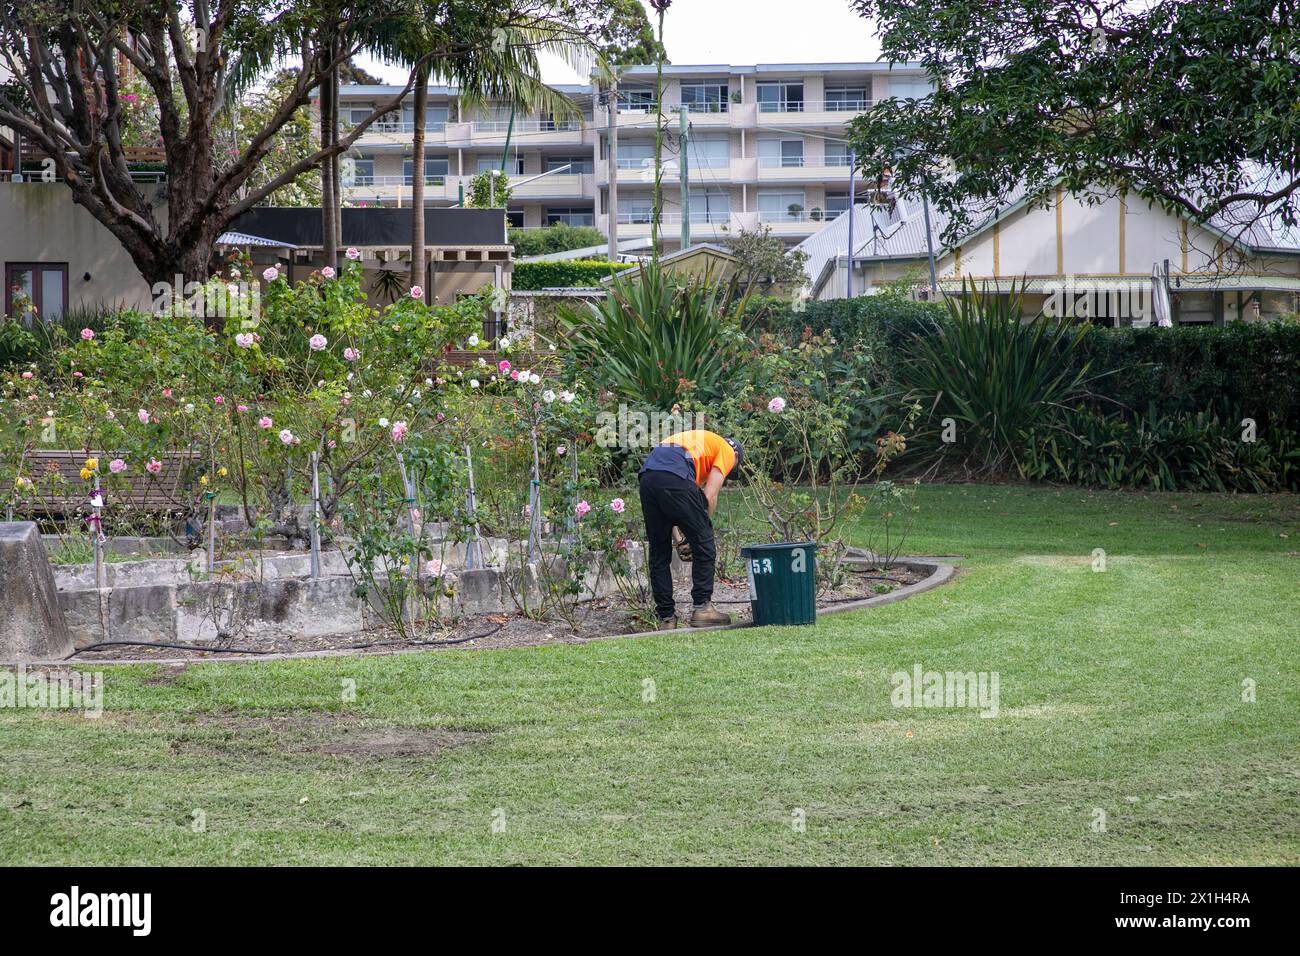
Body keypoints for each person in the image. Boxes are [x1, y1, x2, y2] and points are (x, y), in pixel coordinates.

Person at [638, 429, 743, 627]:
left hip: (648, 477)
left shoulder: (694, 446)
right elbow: (709, 496)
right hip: (674, 477)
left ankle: (666, 618)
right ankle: (703, 609)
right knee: (705, 541)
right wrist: (699, 535)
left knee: (659, 552)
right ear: (736, 455)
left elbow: (672, 505)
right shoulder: (727, 450)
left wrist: (680, 540)